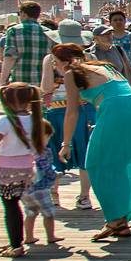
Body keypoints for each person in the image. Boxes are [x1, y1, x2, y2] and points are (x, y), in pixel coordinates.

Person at [53, 43, 131, 242]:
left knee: (96, 163)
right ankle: (120, 220)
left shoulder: (71, 74)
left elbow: (72, 112)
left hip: (115, 108)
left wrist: (66, 144)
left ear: (66, 62)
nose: (54, 65)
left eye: (55, 61)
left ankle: (115, 219)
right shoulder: (103, 66)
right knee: (123, 161)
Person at [0, 82, 49, 258]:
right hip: (27, 169)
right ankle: (16, 241)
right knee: (19, 204)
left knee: (10, 206)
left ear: (8, 102)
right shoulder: (36, 119)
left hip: (6, 170)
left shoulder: (5, 121)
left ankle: (16, 245)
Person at [39, 36, 94, 209]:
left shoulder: (86, 58)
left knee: (68, 151)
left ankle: (69, 195)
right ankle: (73, 195)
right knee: (71, 151)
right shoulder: (86, 57)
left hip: (69, 109)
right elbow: (46, 87)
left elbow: (46, 88)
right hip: (72, 109)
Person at [0, 0, 55, 87]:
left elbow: (10, 58)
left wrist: (2, 81)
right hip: (43, 81)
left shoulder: (14, 30)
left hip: (20, 81)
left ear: (23, 13)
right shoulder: (49, 33)